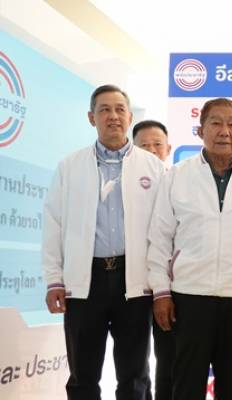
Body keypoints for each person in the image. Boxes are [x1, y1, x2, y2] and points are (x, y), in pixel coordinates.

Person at [42, 84, 165, 400]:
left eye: (120, 109)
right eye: (104, 110)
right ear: (91, 117)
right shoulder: (70, 166)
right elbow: (53, 224)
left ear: (129, 116)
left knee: (135, 375)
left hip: (134, 281)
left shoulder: (153, 167)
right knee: (82, 375)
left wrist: (161, 283)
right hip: (86, 281)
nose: (113, 116)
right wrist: (54, 280)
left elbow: (164, 230)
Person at [147, 98, 232, 400]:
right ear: (200, 130)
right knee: (186, 385)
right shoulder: (176, 176)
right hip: (188, 296)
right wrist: (161, 292)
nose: (224, 131)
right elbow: (160, 238)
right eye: (216, 123)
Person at [132, 119, 173, 400]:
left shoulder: (181, 183)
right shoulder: (123, 187)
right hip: (132, 283)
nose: (151, 151)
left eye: (157, 145)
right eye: (144, 146)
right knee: (134, 358)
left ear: (168, 149)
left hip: (170, 287)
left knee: (168, 356)